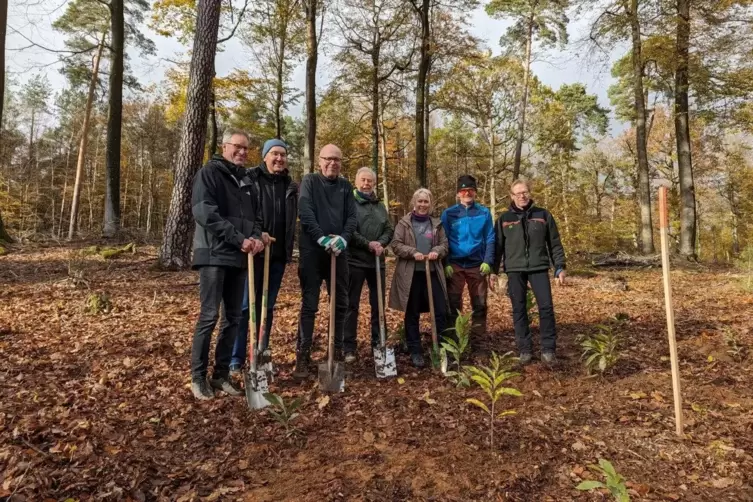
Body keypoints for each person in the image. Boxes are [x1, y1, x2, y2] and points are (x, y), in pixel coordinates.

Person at [190, 128, 264, 400]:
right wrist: (239, 239)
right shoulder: (209, 174)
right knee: (210, 316)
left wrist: (254, 238)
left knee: (233, 318)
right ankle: (198, 377)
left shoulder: (246, 181)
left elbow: (256, 218)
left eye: (246, 148)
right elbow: (204, 212)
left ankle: (221, 375)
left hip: (238, 257)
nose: (242, 152)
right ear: (225, 147)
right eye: (237, 147)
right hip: (213, 254)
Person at [230, 139, 298, 372]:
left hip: (277, 255)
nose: (279, 159)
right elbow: (243, 211)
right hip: (253, 252)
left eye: (283, 155)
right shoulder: (250, 178)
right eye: (274, 154)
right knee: (246, 306)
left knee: (267, 306)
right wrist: (257, 234)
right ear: (265, 156)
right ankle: (236, 358)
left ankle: (260, 352)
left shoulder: (290, 185)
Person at [294, 144, 358, 378]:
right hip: (313, 251)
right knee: (310, 304)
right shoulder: (309, 182)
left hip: (338, 253)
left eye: (337, 160)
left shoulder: (345, 186)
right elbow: (306, 211)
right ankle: (303, 355)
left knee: (340, 303)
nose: (333, 163)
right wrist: (320, 237)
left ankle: (336, 351)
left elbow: (352, 217)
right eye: (328, 159)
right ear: (320, 161)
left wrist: (343, 238)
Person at [492, 179, 566, 364]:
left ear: (530, 193)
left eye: (524, 192)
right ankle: (524, 349)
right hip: (514, 269)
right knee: (519, 309)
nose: (522, 196)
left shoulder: (543, 215)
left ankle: (548, 349)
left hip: (539, 267)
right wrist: (493, 271)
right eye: (518, 193)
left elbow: (555, 243)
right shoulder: (504, 219)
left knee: (546, 308)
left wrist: (560, 267)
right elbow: (497, 247)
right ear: (512, 196)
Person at [389, 188, 449, 368]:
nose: (423, 205)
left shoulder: (436, 224)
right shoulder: (404, 223)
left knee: (440, 310)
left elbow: (444, 244)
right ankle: (415, 350)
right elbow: (396, 245)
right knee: (412, 312)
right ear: (414, 203)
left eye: (426, 201)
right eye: (420, 201)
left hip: (433, 272)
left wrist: (436, 252)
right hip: (411, 274)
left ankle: (439, 347)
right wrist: (412, 252)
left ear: (430, 204)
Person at [344, 167, 394, 362]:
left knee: (378, 305)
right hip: (355, 261)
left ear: (374, 183)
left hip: (377, 263)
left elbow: (389, 229)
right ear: (356, 182)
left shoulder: (380, 206)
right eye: (363, 180)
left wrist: (381, 243)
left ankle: (379, 342)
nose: (366, 184)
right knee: (351, 304)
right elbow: (349, 229)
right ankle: (348, 347)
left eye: (370, 181)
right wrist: (368, 244)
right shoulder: (350, 203)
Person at [440, 174, 495, 340]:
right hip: (455, 265)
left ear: (475, 193)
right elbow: (444, 239)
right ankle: (454, 339)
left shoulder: (484, 213)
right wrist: (446, 262)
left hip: (477, 265)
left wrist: (487, 261)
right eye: (463, 191)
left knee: (479, 304)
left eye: (470, 190)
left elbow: (490, 238)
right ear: (458, 194)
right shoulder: (449, 214)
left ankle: (478, 340)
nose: (467, 193)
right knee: (453, 303)